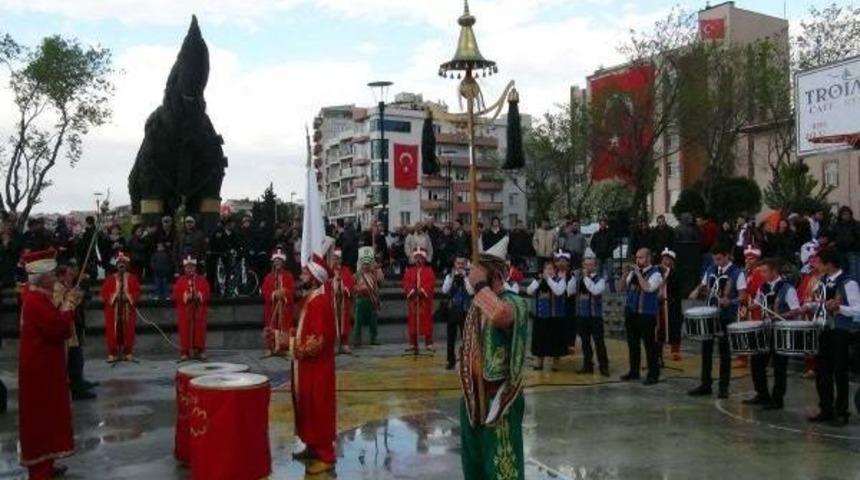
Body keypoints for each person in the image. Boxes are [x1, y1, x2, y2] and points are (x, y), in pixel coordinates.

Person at [459, 236, 528, 480]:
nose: (473, 276)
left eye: (480, 272)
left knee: (501, 467)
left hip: (499, 401)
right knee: (474, 466)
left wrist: (480, 288)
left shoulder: (514, 302)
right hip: (473, 401)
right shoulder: (478, 305)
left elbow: (502, 316)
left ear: (495, 276)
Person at [18, 248, 84, 479]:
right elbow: (60, 328)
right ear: (43, 277)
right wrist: (69, 305)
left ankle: (48, 460)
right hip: (40, 370)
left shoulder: (36, 296)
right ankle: (40, 469)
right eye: (53, 275)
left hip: (44, 366)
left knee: (49, 416)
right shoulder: (35, 300)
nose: (56, 278)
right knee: (42, 418)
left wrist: (66, 303)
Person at [291, 253, 337, 475]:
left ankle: (326, 456)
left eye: (305, 272)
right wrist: (288, 335)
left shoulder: (320, 302)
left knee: (319, 408)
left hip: (318, 367)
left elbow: (318, 341)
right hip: (308, 367)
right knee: (308, 407)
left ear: (314, 277)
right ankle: (311, 447)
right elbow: (304, 330)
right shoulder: (312, 297)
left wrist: (290, 345)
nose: (301, 275)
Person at [687, 243, 747, 398]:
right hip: (710, 312)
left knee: (724, 352)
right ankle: (705, 384)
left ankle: (723, 387)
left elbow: (742, 295)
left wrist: (731, 302)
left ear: (728, 256)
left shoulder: (737, 272)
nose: (717, 262)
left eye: (719, 259)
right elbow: (704, 284)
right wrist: (696, 290)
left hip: (726, 315)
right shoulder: (711, 269)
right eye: (715, 259)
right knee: (706, 350)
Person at [809, 247, 860, 426]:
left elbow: (858, 310)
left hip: (840, 332)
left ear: (829, 264)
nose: (816, 265)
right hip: (823, 329)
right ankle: (826, 409)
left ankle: (842, 412)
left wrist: (840, 308)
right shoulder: (822, 281)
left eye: (819, 262)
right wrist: (809, 306)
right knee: (822, 371)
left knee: (840, 372)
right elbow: (821, 303)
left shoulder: (847, 283)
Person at [744, 258, 801, 410]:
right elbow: (758, 302)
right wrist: (751, 306)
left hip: (780, 331)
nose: (761, 275)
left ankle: (777, 399)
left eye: (764, 271)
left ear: (774, 271)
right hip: (764, 330)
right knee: (757, 363)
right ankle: (762, 394)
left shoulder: (787, 288)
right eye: (760, 271)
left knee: (779, 366)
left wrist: (780, 315)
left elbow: (796, 310)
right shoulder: (763, 287)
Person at [619, 247, 662, 385]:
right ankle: (634, 371)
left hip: (647, 314)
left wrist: (637, 273)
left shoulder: (656, 274)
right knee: (633, 344)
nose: (638, 260)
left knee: (650, 345)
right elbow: (622, 288)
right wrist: (625, 274)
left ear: (649, 258)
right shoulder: (633, 273)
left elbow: (648, 288)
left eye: (641, 257)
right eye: (636, 257)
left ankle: (653, 374)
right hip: (632, 312)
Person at [55, 263, 96, 401]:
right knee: (74, 360)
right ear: (61, 276)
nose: (72, 277)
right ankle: (77, 389)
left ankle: (79, 384)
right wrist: (72, 298)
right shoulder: (58, 290)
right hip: (67, 330)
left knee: (77, 358)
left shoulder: (67, 288)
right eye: (69, 275)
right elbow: (62, 307)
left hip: (75, 326)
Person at [526, 258, 568, 371]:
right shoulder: (538, 280)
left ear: (554, 270)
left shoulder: (560, 280)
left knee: (555, 341)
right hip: (541, 316)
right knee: (540, 340)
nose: (549, 271)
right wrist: (539, 281)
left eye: (551, 269)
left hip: (555, 317)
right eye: (546, 268)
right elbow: (529, 291)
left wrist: (549, 279)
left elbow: (558, 291)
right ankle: (539, 362)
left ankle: (556, 364)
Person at [100, 252, 141, 363]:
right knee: (113, 331)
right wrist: (114, 296)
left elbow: (137, 292)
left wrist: (128, 296)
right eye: (119, 263)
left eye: (123, 263)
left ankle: (127, 352)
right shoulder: (110, 279)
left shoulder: (132, 278)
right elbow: (103, 293)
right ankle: (112, 353)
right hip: (113, 309)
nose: (121, 265)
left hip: (127, 308)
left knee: (128, 330)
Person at [573, 253, 609, 376]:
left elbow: (594, 290)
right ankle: (587, 365)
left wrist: (585, 277)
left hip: (595, 316)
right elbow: (570, 291)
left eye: (590, 265)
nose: (587, 267)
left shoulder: (600, 280)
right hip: (582, 315)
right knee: (585, 342)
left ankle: (604, 366)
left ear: (595, 266)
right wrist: (572, 277)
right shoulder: (579, 278)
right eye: (585, 264)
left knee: (599, 342)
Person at [173, 255, 211, 361]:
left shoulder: (202, 280)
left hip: (199, 310)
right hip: (185, 311)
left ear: (195, 268)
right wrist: (186, 296)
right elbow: (176, 295)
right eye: (188, 267)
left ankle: (199, 351)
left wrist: (199, 295)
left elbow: (207, 293)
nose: (190, 269)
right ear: (185, 268)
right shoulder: (180, 281)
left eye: (192, 267)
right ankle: (184, 352)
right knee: (185, 331)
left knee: (199, 330)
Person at [260, 248, 295, 356]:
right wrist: (274, 294)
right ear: (273, 262)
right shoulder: (268, 277)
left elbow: (292, 290)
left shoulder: (289, 276)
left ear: (283, 262)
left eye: (280, 260)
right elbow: (265, 292)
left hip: (284, 308)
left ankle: (283, 347)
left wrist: (284, 294)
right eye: (276, 261)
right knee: (271, 326)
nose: (277, 262)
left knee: (284, 326)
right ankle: (270, 347)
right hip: (272, 308)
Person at [442, 256, 474, 370]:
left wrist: (465, 278)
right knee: (451, 338)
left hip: (464, 310)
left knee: (466, 338)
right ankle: (451, 360)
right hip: (452, 310)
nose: (460, 266)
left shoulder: (469, 276)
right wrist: (452, 277)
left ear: (465, 264)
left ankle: (467, 361)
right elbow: (444, 290)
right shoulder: (449, 276)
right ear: (454, 264)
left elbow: (471, 292)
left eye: (462, 263)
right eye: (458, 263)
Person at [403, 246, 436, 352]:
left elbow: (430, 283)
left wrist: (422, 291)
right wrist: (412, 291)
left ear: (424, 259)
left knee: (426, 320)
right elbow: (406, 283)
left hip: (424, 301)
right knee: (413, 321)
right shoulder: (409, 271)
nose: (418, 260)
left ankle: (428, 343)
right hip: (413, 300)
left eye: (420, 257)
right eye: (416, 257)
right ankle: (413, 343)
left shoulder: (429, 271)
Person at [656, 248, 684, 363]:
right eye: (663, 259)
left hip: (672, 304)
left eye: (667, 259)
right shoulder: (657, 272)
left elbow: (676, 286)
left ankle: (675, 350)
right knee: (659, 327)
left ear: (672, 261)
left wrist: (666, 275)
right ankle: (658, 351)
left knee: (674, 326)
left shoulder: (676, 273)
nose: (665, 261)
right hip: (660, 304)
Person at [353, 247, 384, 347]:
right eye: (364, 264)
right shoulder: (357, 275)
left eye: (367, 264)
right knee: (358, 321)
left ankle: (373, 338)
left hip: (371, 300)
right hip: (360, 300)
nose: (365, 266)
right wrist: (359, 289)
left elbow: (379, 283)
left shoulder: (373, 274)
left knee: (373, 321)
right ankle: (357, 339)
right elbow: (352, 286)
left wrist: (378, 267)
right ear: (361, 264)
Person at [329, 249, 355, 354]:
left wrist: (344, 288)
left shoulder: (346, 270)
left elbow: (350, 284)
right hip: (333, 301)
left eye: (338, 258)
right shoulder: (329, 271)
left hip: (344, 301)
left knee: (344, 322)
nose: (337, 260)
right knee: (333, 322)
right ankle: (335, 344)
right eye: (335, 258)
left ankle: (344, 344)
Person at [590, 219, 616, 293]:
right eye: (601, 224)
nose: (602, 225)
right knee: (598, 273)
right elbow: (592, 244)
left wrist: (609, 250)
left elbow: (614, 243)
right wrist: (596, 251)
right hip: (599, 256)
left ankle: (612, 290)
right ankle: (598, 289)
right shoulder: (596, 234)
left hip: (608, 256)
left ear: (606, 225)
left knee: (610, 273)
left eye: (604, 224)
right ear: (599, 225)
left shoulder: (610, 234)